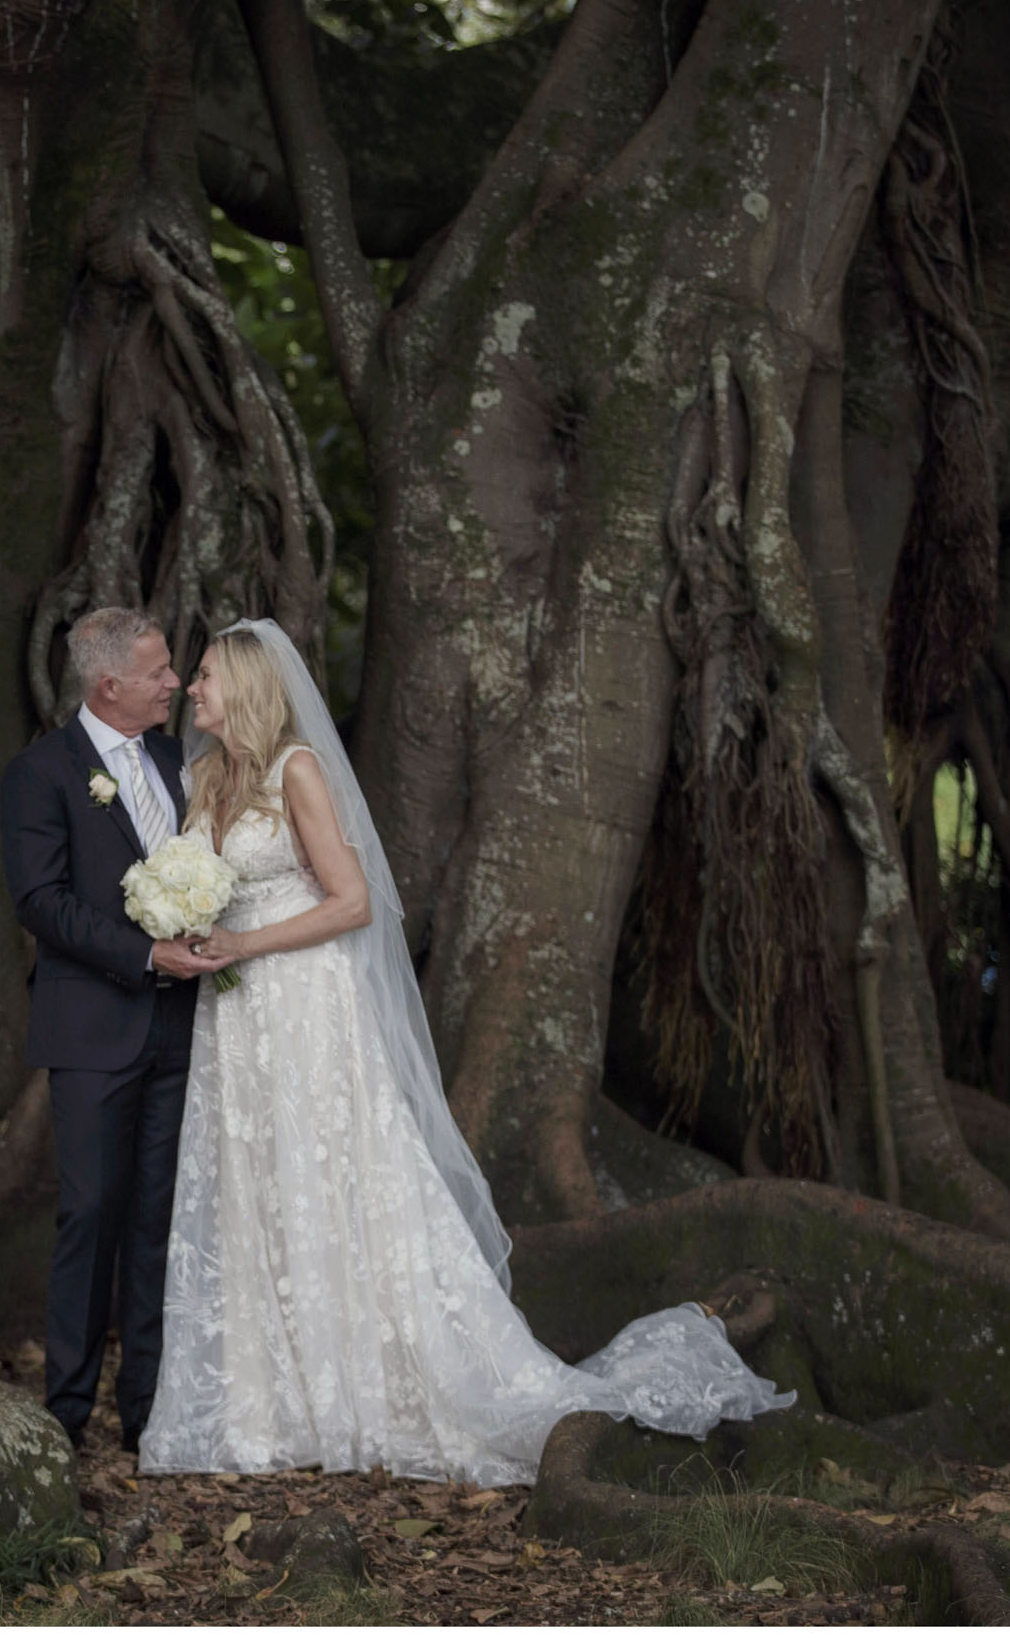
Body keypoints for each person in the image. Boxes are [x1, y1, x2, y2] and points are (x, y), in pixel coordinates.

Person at [138, 619, 796, 1485]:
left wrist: (244, 946)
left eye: (208, 676)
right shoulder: (205, 778)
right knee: (255, 1185)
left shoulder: (296, 770)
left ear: (250, 687)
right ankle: (268, 1405)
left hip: (303, 1004)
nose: (193, 689)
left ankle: (361, 1391)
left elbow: (351, 903)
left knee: (324, 1177)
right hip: (236, 1020)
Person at [0, 606, 228, 1453]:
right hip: (93, 1028)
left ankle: (147, 1412)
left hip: (179, 1029)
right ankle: (64, 1412)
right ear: (108, 685)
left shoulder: (177, 760)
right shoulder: (41, 773)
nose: (175, 680)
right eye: (160, 669)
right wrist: (145, 954)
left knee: (158, 1217)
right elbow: (43, 903)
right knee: (91, 1213)